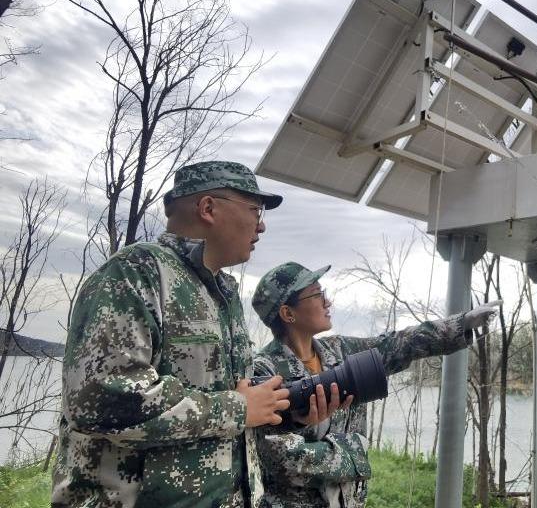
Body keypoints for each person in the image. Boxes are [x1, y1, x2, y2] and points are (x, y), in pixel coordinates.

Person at [53, 161, 294, 508]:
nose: (262, 225)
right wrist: (238, 409)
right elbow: (100, 400)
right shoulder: (136, 273)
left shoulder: (223, 292)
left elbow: (235, 401)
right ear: (208, 208)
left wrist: (285, 409)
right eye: (255, 210)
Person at [250, 262, 499, 508]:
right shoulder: (264, 371)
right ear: (287, 313)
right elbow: (278, 455)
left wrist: (461, 324)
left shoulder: (340, 350)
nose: (328, 302)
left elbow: (399, 344)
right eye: (317, 294)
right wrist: (354, 453)